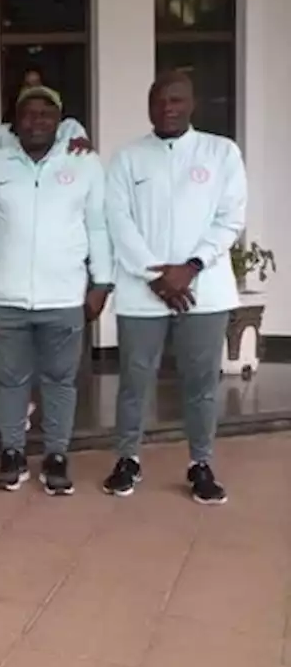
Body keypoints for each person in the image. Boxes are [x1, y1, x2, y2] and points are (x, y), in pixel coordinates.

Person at [0, 86, 113, 495]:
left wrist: (102, 282)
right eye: (29, 114)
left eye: (47, 114)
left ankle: (56, 455)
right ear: (16, 121)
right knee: (10, 380)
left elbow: (98, 226)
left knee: (60, 381)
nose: (37, 121)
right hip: (5, 296)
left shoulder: (84, 165)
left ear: (60, 120)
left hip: (65, 297)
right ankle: (12, 452)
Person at [103, 72, 246, 504]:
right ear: (149, 105)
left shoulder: (221, 152)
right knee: (134, 380)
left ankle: (200, 463)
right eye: (159, 100)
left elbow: (230, 218)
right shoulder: (128, 158)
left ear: (192, 103)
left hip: (203, 291)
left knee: (200, 381)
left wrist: (191, 266)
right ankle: (128, 458)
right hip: (142, 292)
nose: (167, 107)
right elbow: (118, 221)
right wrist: (157, 277)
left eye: (176, 99)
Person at [0, 67, 91, 153]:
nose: (33, 89)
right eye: (27, 85)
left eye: (38, 83)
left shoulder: (70, 128)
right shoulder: (1, 134)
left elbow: (84, 158)